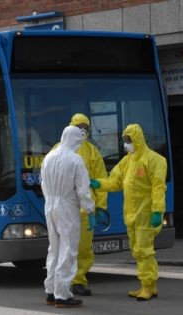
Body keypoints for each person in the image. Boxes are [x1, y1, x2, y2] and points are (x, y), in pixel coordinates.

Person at [90, 123, 167, 301]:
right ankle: (149, 285)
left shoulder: (154, 160)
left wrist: (157, 211)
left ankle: (147, 286)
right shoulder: (126, 161)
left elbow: (158, 188)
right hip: (131, 215)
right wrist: (98, 183)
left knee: (145, 250)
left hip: (146, 214)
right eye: (124, 139)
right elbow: (115, 182)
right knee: (137, 250)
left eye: (128, 140)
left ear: (137, 139)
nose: (125, 144)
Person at [41, 125, 96, 308]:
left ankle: (50, 290)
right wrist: (89, 210)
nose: (80, 144)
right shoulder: (75, 160)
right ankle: (62, 295)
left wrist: (52, 199)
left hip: (50, 205)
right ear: (73, 139)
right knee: (69, 248)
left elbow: (43, 183)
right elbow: (83, 189)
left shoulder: (48, 157)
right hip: (67, 207)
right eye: (78, 141)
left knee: (54, 248)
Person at [69, 113, 108, 296]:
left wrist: (101, 207)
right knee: (65, 247)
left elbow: (101, 181)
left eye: (85, 128)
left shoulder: (93, 151)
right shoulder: (59, 149)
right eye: (79, 127)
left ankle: (78, 281)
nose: (82, 131)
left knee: (83, 248)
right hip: (66, 208)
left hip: (86, 209)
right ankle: (61, 282)